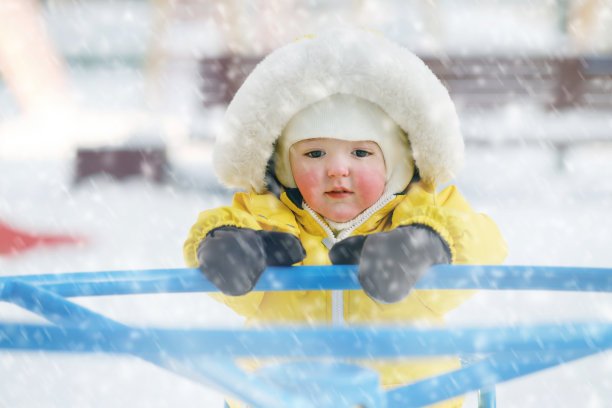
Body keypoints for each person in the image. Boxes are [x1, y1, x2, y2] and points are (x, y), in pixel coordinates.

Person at [184, 28, 507, 408]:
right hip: (280, 399)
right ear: (285, 167)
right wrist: (228, 249)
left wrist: (424, 246)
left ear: (396, 164)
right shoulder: (264, 217)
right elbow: (209, 239)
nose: (338, 169)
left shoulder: (422, 210)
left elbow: (485, 244)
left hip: (407, 399)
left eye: (360, 153)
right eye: (315, 154)